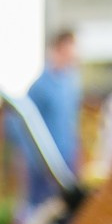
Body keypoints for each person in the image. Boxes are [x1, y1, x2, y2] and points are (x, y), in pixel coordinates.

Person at [19, 29, 81, 211]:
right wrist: (33, 157)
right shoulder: (40, 86)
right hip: (43, 160)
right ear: (59, 49)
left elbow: (72, 121)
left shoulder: (71, 82)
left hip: (66, 155)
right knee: (40, 208)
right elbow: (25, 122)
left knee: (65, 208)